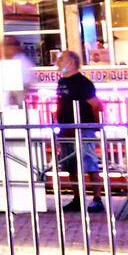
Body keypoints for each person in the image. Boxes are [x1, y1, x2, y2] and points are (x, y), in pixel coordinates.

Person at [53, 50, 104, 213]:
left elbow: (96, 104)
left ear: (71, 62)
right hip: (66, 129)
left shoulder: (82, 83)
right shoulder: (62, 81)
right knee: (71, 165)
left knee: (89, 163)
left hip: (82, 128)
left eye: (61, 59)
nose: (58, 62)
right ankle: (77, 198)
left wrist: (96, 124)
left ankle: (97, 199)